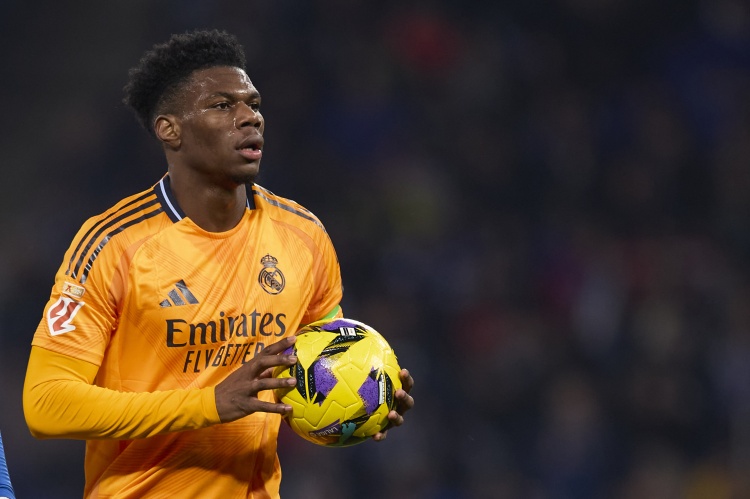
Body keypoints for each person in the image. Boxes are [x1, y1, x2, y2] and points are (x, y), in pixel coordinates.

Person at [22, 29, 414, 498]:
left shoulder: (303, 235)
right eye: (222, 106)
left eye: (253, 104)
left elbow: (315, 366)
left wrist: (363, 396)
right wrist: (208, 403)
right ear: (170, 130)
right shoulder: (114, 244)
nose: (250, 117)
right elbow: (45, 404)